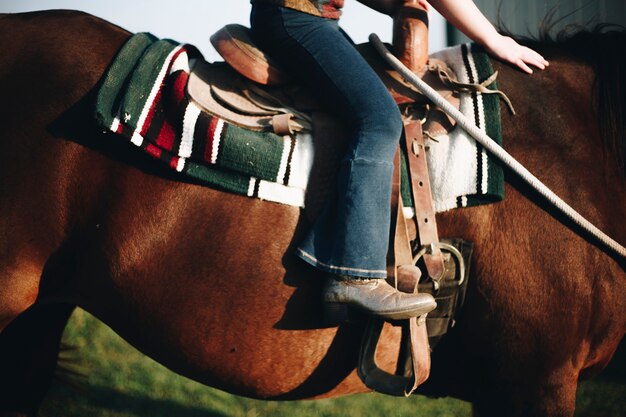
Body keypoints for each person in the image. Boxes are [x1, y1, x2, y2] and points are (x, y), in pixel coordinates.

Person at [249, 0, 548, 321]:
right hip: (297, 20)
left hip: (309, 19)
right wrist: (494, 39)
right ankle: (355, 274)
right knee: (379, 119)